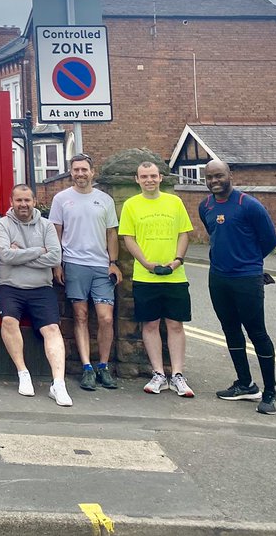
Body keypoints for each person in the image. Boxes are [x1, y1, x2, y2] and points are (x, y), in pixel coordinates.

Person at [199, 160, 276, 415]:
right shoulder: (206, 206)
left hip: (246, 279)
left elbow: (269, 240)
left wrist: (250, 262)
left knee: (257, 333)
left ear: (230, 175)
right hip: (218, 278)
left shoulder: (249, 205)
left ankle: (270, 392)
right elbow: (215, 236)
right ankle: (245, 384)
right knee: (230, 330)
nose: (214, 181)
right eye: (209, 177)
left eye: (219, 175)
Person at [118, 160, 194, 397]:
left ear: (160, 178)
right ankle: (159, 373)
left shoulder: (175, 202)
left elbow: (184, 233)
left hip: (175, 276)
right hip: (146, 276)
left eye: (153, 176)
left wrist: (177, 260)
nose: (149, 180)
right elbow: (128, 238)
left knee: (175, 324)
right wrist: (146, 263)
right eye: (144, 176)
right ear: (137, 180)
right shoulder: (131, 205)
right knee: (150, 325)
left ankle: (178, 375)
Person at [0, 184, 71, 406]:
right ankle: (23, 373)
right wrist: (39, 251)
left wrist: (21, 253)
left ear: (34, 202)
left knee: (52, 329)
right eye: (19, 200)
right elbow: (6, 256)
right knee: (8, 321)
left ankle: (58, 384)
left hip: (41, 288)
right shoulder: (2, 224)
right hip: (9, 286)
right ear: (11, 201)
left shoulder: (46, 226)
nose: (23, 204)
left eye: (27, 200)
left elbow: (55, 257)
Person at [49, 153, 121, 392]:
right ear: (71, 172)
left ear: (92, 172)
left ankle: (104, 365)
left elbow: (112, 233)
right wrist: (57, 264)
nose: (80, 173)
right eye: (76, 169)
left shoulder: (105, 200)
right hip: (74, 263)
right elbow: (56, 233)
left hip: (101, 265)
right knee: (80, 316)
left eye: (84, 169)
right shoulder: (61, 199)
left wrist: (114, 262)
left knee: (106, 318)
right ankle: (87, 367)